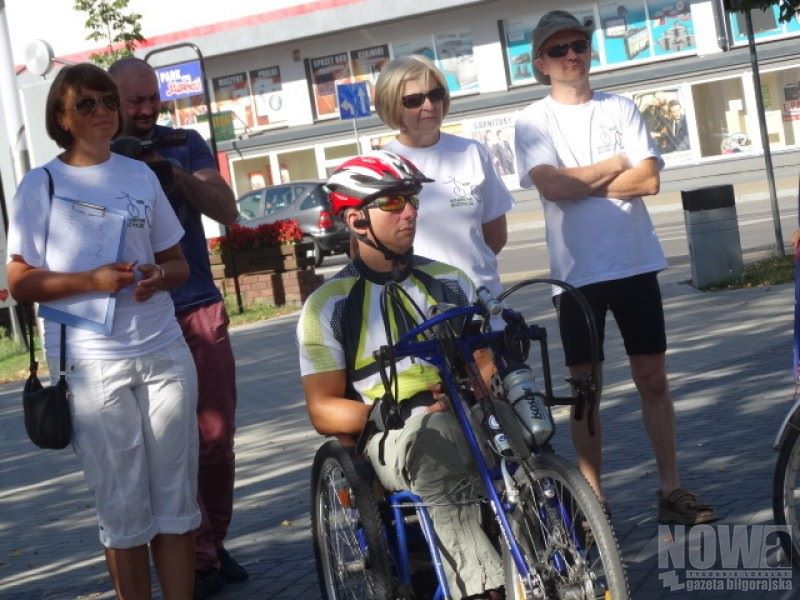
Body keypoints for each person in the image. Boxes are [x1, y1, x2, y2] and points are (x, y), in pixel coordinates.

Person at [514, 10, 717, 525]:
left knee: (653, 378)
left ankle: (671, 490)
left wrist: (581, 179)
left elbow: (648, 181)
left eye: (579, 45)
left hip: (634, 264)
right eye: (559, 50)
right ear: (541, 62)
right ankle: (592, 502)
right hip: (576, 276)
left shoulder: (621, 106)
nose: (572, 56)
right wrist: (614, 164)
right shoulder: (533, 121)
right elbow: (552, 187)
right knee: (586, 389)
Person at [7, 63, 198, 598]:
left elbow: (177, 264)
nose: (101, 112)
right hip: (93, 364)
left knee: (177, 505)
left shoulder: (139, 175)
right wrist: (89, 279)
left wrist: (159, 277)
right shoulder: (41, 184)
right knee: (124, 508)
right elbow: (19, 282)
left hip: (163, 351)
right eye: (86, 104)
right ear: (61, 117)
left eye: (107, 102)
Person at [297, 150, 504, 600]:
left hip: (464, 408)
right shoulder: (328, 304)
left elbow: (484, 357)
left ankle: (551, 542)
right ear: (355, 221)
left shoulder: (450, 280)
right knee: (438, 439)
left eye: (410, 198)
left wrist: (476, 382)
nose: (410, 210)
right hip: (390, 430)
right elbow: (322, 408)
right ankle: (481, 588)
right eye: (392, 203)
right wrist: (386, 411)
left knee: (523, 415)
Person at [109, 57, 246, 597]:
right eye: (133, 101)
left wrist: (174, 173)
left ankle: (209, 545)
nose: (145, 111)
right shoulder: (97, 157)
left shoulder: (184, 142)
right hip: (136, 318)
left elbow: (228, 210)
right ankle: (195, 552)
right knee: (160, 448)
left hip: (196, 306)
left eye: (152, 99)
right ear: (109, 100)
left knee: (215, 440)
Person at [374, 55, 514, 304]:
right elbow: (369, 249)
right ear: (392, 106)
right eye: (414, 100)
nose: (428, 105)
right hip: (416, 308)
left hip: (481, 302)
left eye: (435, 94)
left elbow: (496, 235)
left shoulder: (473, 152)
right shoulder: (381, 166)